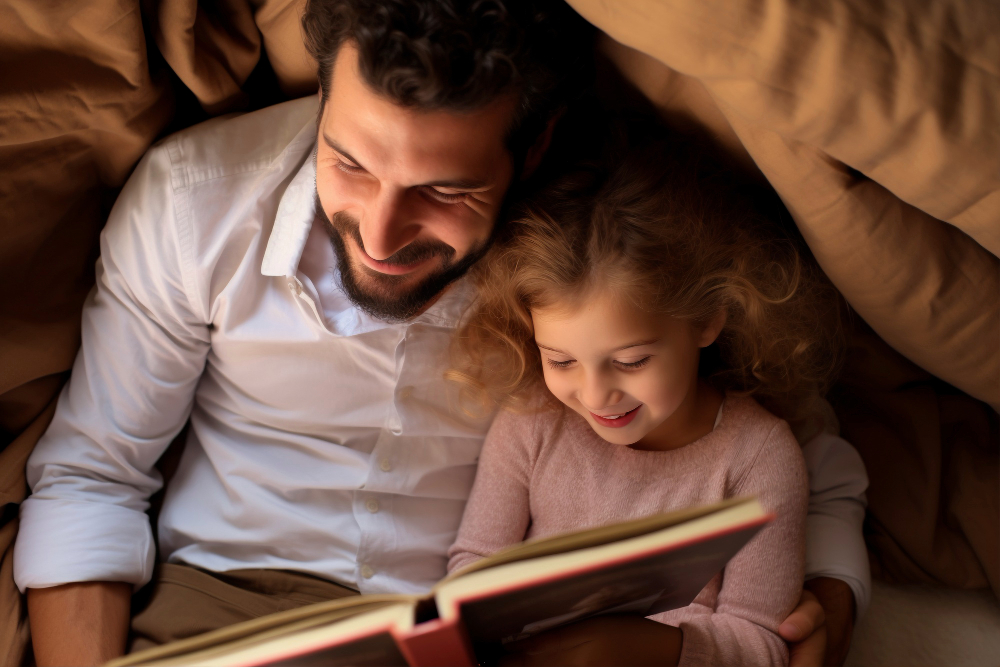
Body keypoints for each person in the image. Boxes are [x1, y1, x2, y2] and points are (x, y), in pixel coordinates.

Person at [12, 1, 867, 665]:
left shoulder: (594, 236)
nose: (380, 236)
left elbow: (794, 451)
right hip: (216, 604)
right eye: (349, 161)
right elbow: (93, 475)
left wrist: (822, 605)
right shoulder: (192, 203)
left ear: (531, 155)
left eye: (444, 191)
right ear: (322, 94)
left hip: (455, 637)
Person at [446, 120, 840, 666]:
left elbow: (762, 642)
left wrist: (648, 647)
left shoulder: (758, 456)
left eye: (630, 361)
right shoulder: (533, 420)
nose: (594, 394)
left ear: (706, 321)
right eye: (560, 360)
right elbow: (475, 561)